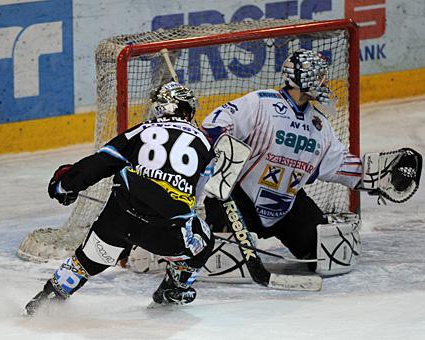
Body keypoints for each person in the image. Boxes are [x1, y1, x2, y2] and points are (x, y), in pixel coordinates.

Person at [25, 82, 215, 315]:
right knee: (204, 241)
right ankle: (172, 290)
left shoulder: (142, 130)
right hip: (166, 230)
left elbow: (101, 163)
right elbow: (196, 198)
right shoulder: (206, 144)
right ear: (187, 111)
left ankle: (43, 302)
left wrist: (66, 185)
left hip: (119, 218)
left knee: (86, 261)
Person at [201, 49, 363, 263]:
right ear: (299, 78)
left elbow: (338, 163)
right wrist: (222, 146)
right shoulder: (261, 102)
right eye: (317, 75)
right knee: (228, 262)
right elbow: (215, 123)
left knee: (325, 254)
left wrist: (372, 175)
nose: (323, 81)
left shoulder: (319, 123)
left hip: (287, 203)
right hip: (237, 200)